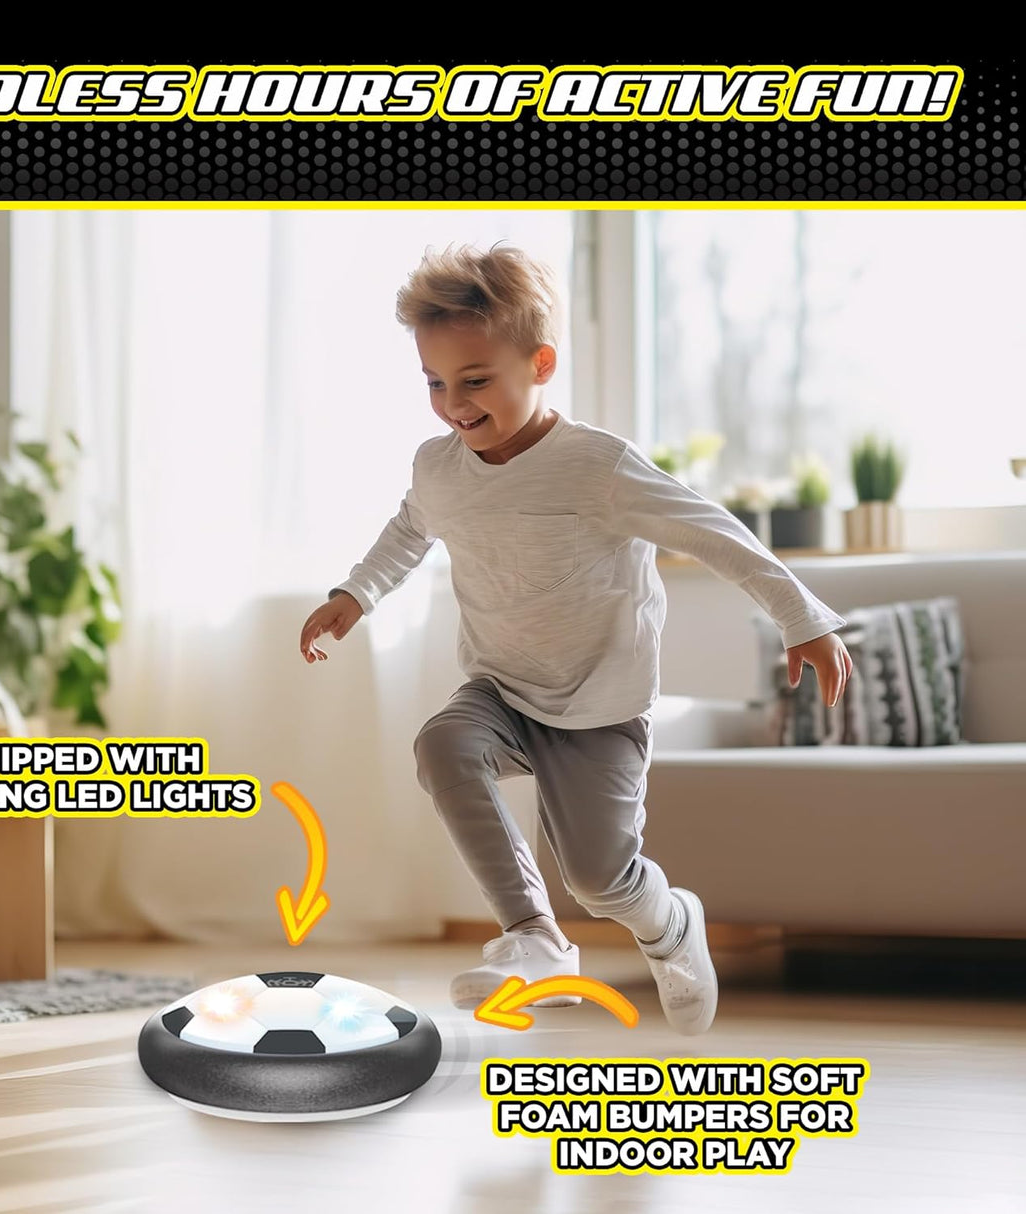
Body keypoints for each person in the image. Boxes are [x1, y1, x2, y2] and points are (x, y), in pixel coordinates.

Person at [298, 243, 852, 1035]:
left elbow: (715, 533)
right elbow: (411, 529)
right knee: (442, 746)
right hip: (500, 688)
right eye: (434, 382)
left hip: (600, 703)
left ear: (541, 363)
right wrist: (355, 593)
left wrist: (802, 617)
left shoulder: (597, 468)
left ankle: (670, 924)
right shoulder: (440, 467)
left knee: (600, 878)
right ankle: (535, 937)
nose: (453, 403)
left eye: (476, 380)